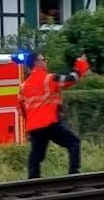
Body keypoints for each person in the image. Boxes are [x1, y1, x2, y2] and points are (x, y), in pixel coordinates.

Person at [20, 51, 85, 179]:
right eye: (43, 59)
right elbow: (71, 79)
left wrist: (31, 121)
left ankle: (32, 183)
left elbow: (21, 108)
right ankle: (74, 175)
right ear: (37, 63)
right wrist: (81, 64)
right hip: (50, 123)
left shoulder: (23, 86)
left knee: (36, 156)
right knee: (74, 143)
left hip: (34, 127)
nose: (46, 62)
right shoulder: (49, 79)